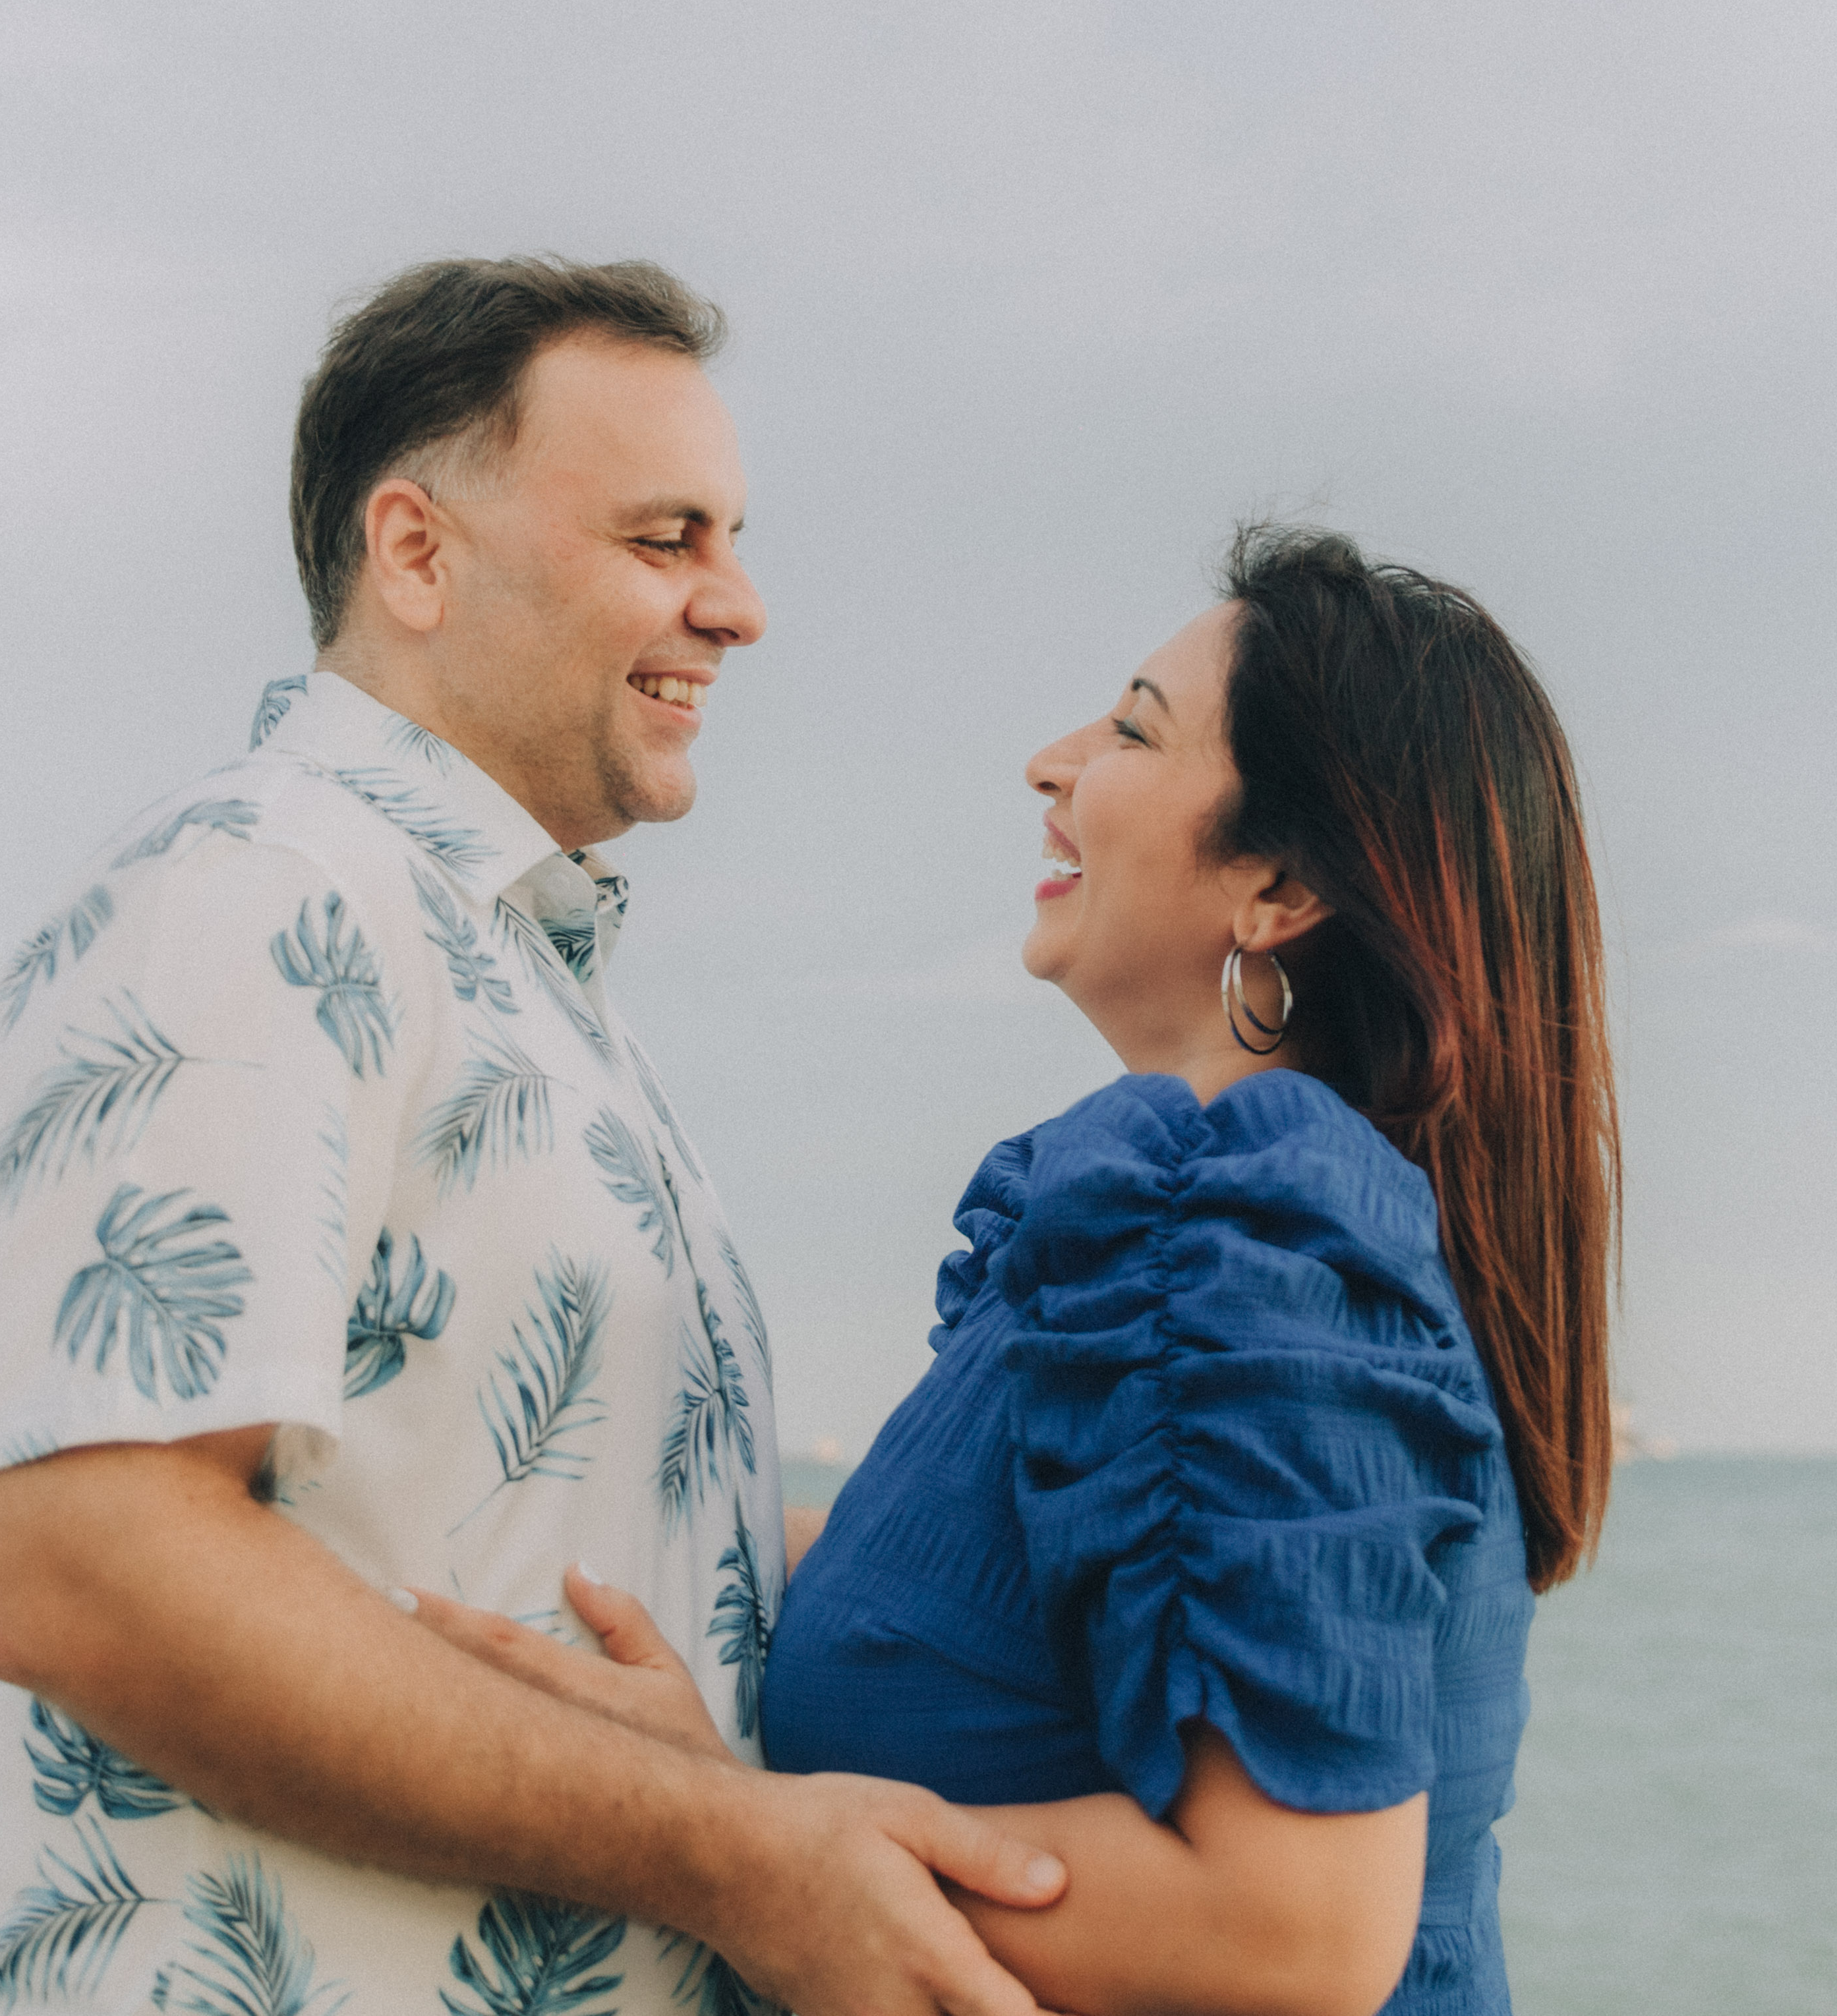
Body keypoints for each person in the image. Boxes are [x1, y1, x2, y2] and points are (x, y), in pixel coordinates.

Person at [0, 256, 1068, 2016]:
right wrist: (737, 1852)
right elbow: (82, 1560)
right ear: (420, 552)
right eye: (666, 537)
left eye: (732, 538)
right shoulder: (256, 895)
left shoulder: (519, 972)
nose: (739, 604)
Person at [411, 525, 1618, 2016]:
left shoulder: (1246, 1232)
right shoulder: (1195, 1247)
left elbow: (1286, 1933)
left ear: (1277, 885)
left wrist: (707, 1835)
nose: (1050, 763)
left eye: (1129, 728)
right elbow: (945, 1600)